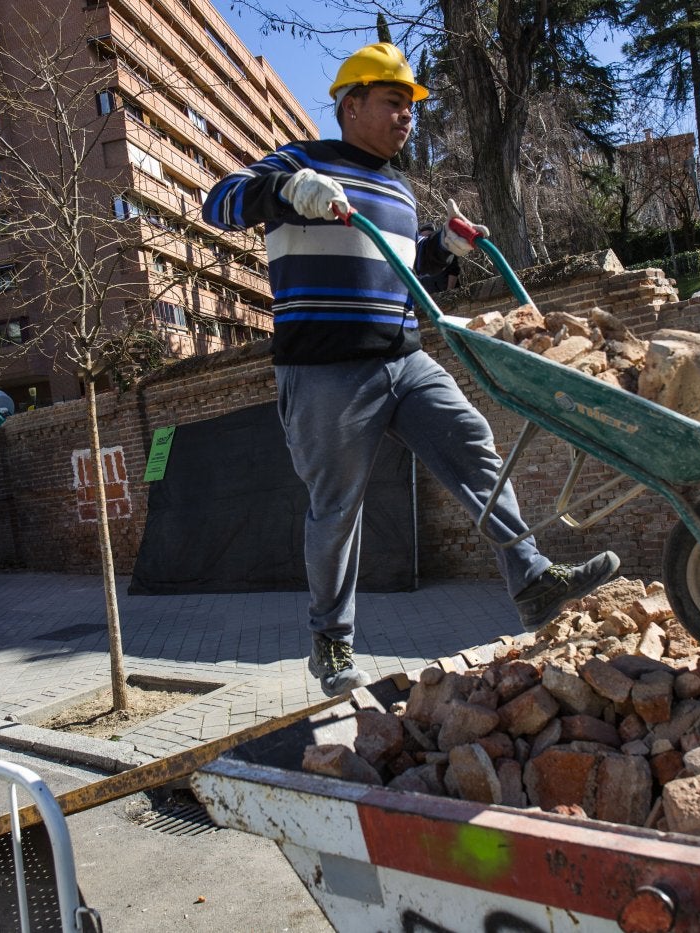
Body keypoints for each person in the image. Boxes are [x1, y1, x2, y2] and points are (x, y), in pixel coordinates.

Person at [203, 42, 619, 697]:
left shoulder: (398, 191)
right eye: (394, 102)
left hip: (404, 359)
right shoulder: (301, 160)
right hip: (325, 370)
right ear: (351, 106)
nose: (407, 116)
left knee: (474, 444)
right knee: (337, 509)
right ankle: (331, 641)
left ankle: (532, 579)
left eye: (410, 106)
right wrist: (286, 190)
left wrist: (442, 246)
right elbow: (219, 201)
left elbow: (405, 268)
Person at [416, 221, 460, 292]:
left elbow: (453, 270)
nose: (425, 242)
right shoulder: (417, 254)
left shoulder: (444, 250)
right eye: (423, 239)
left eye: (428, 237)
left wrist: (449, 291)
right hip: (428, 294)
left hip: (445, 292)